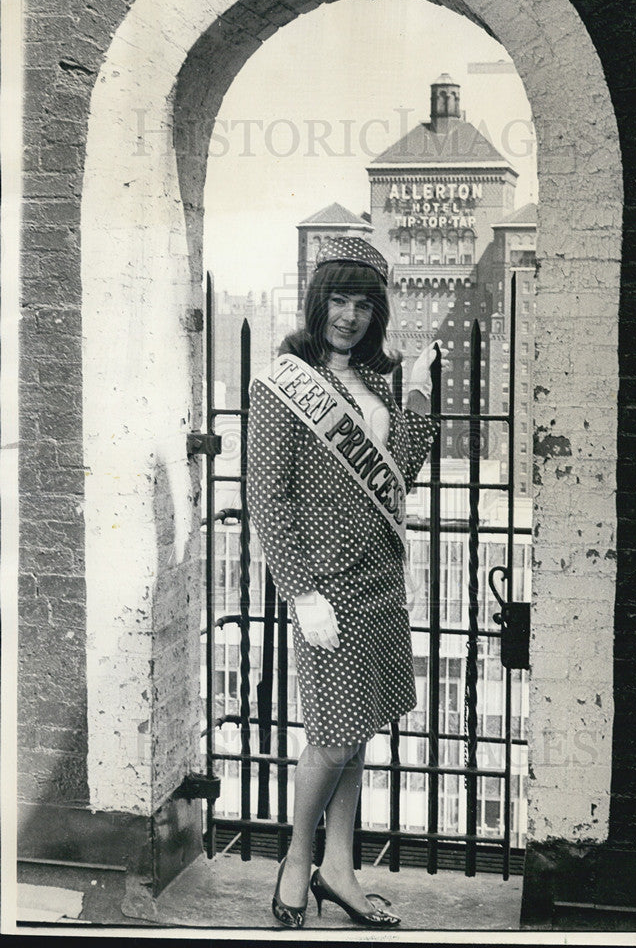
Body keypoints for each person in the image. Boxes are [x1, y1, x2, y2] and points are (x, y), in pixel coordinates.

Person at [247, 236, 447, 929]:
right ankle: (298, 861)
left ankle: (339, 867)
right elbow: (268, 498)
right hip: (326, 589)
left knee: (358, 730)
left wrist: (418, 391)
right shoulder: (282, 381)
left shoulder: (377, 382)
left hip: (379, 582)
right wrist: (301, 590)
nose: (350, 316)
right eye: (339, 299)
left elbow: (400, 473)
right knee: (330, 739)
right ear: (317, 300)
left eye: (364, 303)